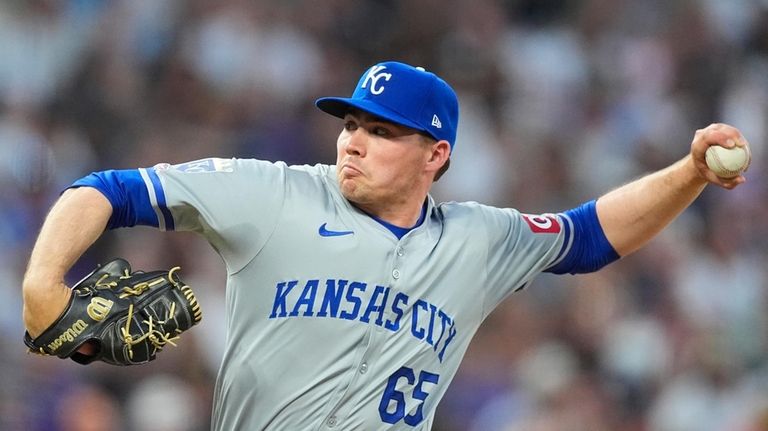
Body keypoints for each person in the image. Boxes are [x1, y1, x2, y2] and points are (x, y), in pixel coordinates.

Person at [22, 61, 749, 430]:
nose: (353, 143)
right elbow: (105, 188)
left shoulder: (478, 239)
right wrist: (44, 281)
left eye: (381, 131)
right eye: (351, 125)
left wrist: (687, 172)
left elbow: (589, 234)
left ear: (435, 154)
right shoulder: (273, 192)